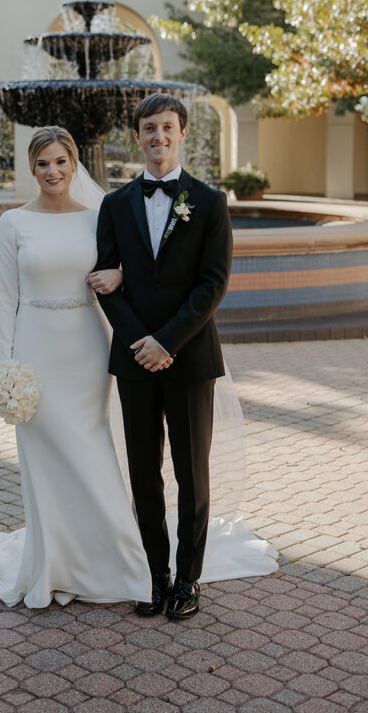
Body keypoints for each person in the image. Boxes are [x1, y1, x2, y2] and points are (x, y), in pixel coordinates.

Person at [0, 126, 151, 608]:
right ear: (31, 169)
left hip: (87, 348)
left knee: (91, 448)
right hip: (35, 350)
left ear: (74, 165)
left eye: (60, 162)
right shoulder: (13, 224)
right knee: (45, 457)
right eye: (42, 164)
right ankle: (53, 561)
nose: (52, 172)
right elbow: (3, 301)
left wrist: (120, 273)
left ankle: (118, 560)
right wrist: (4, 370)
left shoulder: (99, 217)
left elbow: (132, 270)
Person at [92, 92, 247, 620]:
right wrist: (142, 343)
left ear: (182, 134)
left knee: (191, 471)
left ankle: (188, 578)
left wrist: (168, 342)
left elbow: (213, 284)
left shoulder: (208, 202)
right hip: (135, 360)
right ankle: (155, 575)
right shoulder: (114, 206)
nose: (158, 136)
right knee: (142, 471)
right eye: (149, 129)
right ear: (137, 137)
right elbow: (105, 280)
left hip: (189, 358)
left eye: (167, 127)